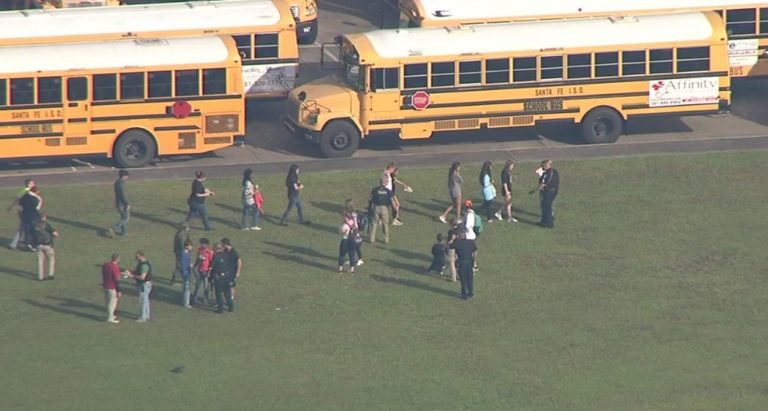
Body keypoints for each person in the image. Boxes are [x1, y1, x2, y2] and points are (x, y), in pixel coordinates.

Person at [123, 250, 152, 322]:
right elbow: (135, 270)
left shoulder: (144, 265)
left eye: (137, 256)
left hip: (144, 285)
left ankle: (143, 317)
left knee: (142, 301)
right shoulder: (140, 263)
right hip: (144, 284)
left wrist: (131, 276)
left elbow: (142, 277)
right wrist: (129, 272)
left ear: (141, 256)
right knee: (145, 300)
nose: (135, 258)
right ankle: (146, 315)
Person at [8, 179, 37, 250]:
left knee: (23, 229)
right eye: (32, 183)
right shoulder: (25, 191)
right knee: (25, 228)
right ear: (28, 184)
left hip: (26, 213)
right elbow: (18, 201)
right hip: (25, 213)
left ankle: (16, 244)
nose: (34, 184)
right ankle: (21, 244)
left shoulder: (29, 191)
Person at [451, 230, 478, 300]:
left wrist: (452, 239)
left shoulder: (458, 243)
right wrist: (474, 260)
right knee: (470, 278)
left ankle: (464, 294)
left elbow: (450, 246)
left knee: (463, 279)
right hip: (469, 262)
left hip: (462, 262)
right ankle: (470, 292)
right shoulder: (471, 242)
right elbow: (475, 251)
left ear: (459, 236)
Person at [31, 214, 58, 281]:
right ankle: (50, 274)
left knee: (40, 261)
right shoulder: (47, 225)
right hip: (47, 245)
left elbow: (31, 234)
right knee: (51, 259)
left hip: (38, 245)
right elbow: (55, 234)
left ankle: (40, 277)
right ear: (44, 218)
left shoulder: (34, 225)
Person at [210, 243, 233, 314]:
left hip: (219, 277)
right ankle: (230, 307)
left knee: (218, 293)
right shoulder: (226, 255)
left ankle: (220, 309)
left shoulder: (216, 256)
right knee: (227, 292)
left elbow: (211, 266)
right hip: (226, 276)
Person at [368, 178, 393, 244]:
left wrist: (369, 208)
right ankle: (386, 239)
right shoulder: (388, 191)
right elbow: (392, 201)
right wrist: (393, 209)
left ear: (380, 182)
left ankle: (372, 238)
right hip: (384, 208)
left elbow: (370, 199)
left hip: (376, 207)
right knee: (385, 224)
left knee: (374, 223)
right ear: (386, 183)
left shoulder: (374, 190)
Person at [18, 186, 43, 251]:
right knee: (34, 231)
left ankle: (25, 244)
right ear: (36, 191)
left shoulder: (23, 197)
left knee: (26, 231)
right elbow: (37, 209)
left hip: (24, 216)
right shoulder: (36, 199)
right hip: (33, 217)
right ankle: (32, 245)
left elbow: (20, 207)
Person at [537, 160, 560, 228]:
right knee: (544, 206)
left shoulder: (551, 172)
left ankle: (549, 224)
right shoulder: (547, 172)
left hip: (550, 192)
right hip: (547, 191)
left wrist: (542, 185)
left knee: (547, 207)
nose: (542, 167)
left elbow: (547, 182)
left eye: (543, 166)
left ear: (546, 165)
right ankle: (543, 221)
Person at [108, 169, 130, 238]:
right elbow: (123, 195)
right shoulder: (122, 184)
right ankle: (114, 227)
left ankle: (124, 232)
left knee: (123, 217)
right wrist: (127, 203)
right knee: (126, 218)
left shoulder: (116, 182)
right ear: (124, 176)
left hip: (118, 203)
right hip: (122, 204)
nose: (127, 178)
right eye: (127, 176)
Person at [102, 253, 122, 324]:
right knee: (112, 303)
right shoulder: (115, 267)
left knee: (108, 302)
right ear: (118, 259)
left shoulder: (106, 265)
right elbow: (117, 280)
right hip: (112, 287)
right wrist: (119, 291)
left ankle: (110, 316)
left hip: (105, 286)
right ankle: (110, 318)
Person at [192, 237, 214, 304]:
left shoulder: (209, 252)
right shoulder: (199, 250)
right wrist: (194, 266)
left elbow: (211, 262)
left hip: (206, 271)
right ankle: (195, 297)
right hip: (199, 270)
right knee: (197, 284)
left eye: (202, 243)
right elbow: (197, 259)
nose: (201, 245)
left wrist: (209, 272)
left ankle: (206, 298)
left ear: (206, 244)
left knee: (206, 286)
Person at [343, 199, 363, 266]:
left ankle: (360, 259)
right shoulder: (346, 212)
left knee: (356, 245)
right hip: (349, 229)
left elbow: (355, 223)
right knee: (349, 245)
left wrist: (354, 230)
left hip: (354, 230)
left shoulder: (353, 213)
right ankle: (351, 258)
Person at [462, 200, 479, 271]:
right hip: (472, 234)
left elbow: (467, 225)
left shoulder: (468, 214)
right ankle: (474, 264)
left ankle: (472, 265)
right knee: (473, 250)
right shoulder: (472, 213)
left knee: (469, 251)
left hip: (468, 235)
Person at [180, 241, 194, 308]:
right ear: (186, 246)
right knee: (187, 288)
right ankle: (186, 303)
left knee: (185, 288)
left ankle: (184, 301)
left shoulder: (186, 253)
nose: (191, 247)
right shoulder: (184, 254)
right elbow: (183, 264)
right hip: (186, 273)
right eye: (190, 246)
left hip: (186, 272)